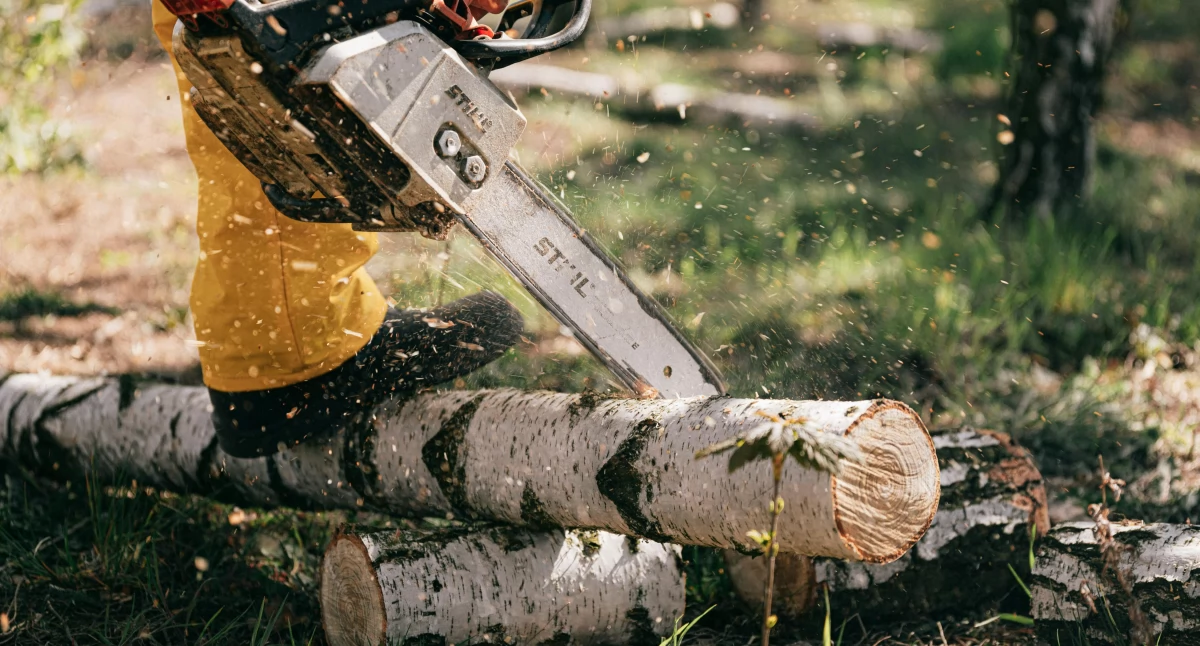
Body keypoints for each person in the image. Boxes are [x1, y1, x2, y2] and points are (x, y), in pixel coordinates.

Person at [151, 0, 523, 458]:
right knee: (269, 45)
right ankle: (301, 352)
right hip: (298, 349)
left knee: (232, 44)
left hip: (254, 344)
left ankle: (259, 349)